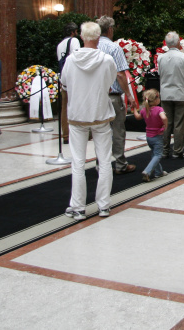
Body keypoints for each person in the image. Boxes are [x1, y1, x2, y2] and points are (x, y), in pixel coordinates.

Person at [60, 22, 116, 220]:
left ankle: (78, 207)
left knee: (78, 163)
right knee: (105, 161)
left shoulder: (71, 60)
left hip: (77, 116)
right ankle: (104, 205)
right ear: (98, 38)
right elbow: (110, 82)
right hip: (100, 113)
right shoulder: (107, 59)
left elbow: (64, 83)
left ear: (82, 37)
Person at [96, 16, 137, 175]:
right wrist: (130, 95)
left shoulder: (92, 47)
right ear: (110, 30)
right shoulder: (114, 48)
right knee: (118, 129)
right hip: (113, 95)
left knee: (100, 130)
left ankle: (100, 164)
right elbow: (120, 74)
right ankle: (120, 164)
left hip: (97, 95)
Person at [158, 31, 184, 159]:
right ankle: (177, 150)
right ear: (178, 42)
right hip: (180, 93)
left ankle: (164, 150)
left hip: (165, 93)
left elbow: (160, 74)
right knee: (179, 123)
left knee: (166, 122)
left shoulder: (160, 58)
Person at [133, 88, 169, 182]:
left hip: (148, 136)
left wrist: (134, 109)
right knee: (158, 155)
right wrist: (165, 124)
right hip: (157, 136)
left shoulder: (145, 110)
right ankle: (147, 171)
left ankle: (159, 172)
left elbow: (137, 117)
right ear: (156, 100)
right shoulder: (159, 109)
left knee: (154, 154)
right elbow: (164, 117)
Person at [56, 23, 81, 145]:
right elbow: (76, 58)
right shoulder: (74, 41)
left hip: (63, 78)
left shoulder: (60, 44)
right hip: (73, 80)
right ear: (73, 32)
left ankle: (65, 135)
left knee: (64, 107)